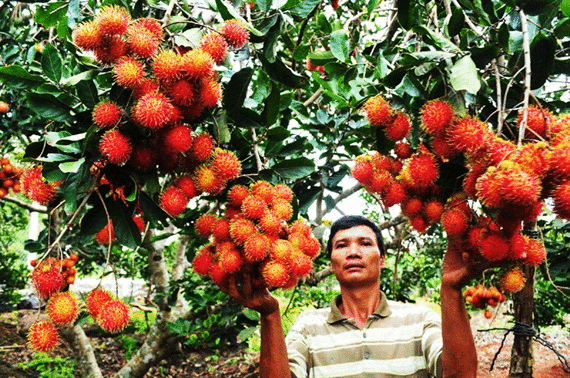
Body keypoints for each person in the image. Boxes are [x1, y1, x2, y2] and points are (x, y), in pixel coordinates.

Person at [222, 215, 489, 378]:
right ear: (331, 262)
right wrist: (270, 315)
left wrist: (451, 291)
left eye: (365, 243)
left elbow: (461, 375)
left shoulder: (419, 320)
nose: (353, 252)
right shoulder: (307, 327)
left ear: (382, 260)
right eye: (342, 245)